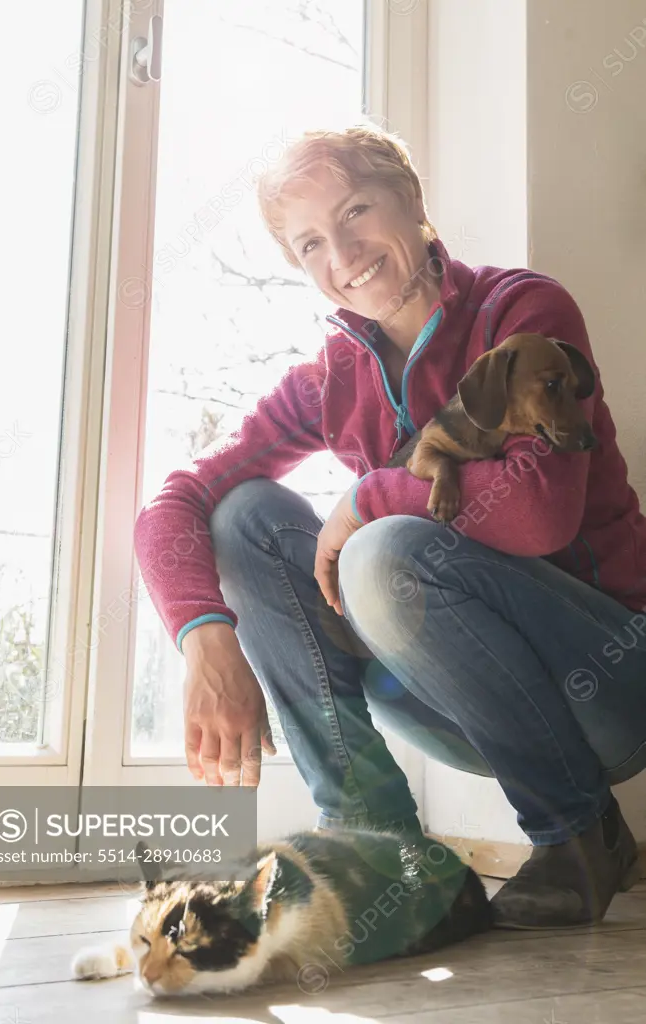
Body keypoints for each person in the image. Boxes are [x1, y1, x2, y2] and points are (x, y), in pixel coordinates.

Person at [134, 123, 646, 930]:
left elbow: (540, 514)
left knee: (384, 550)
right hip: (473, 706)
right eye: (308, 243)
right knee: (245, 518)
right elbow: (176, 498)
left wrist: (368, 498)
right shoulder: (329, 380)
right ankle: (375, 851)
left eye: (356, 211)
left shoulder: (522, 311)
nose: (341, 252)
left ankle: (576, 833)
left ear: (412, 203)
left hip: (613, 679)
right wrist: (205, 639)